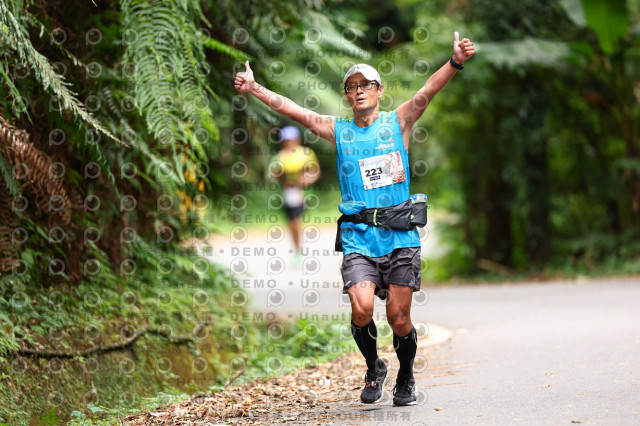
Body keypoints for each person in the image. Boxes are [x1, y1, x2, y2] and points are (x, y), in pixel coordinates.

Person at [234, 32, 475, 406]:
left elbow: (429, 89)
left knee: (398, 318)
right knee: (361, 309)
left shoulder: (398, 121)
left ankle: (406, 377)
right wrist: (254, 88)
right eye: (352, 86)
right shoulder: (339, 130)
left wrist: (455, 61)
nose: (359, 90)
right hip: (358, 236)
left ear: (379, 90)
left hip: (399, 235)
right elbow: (294, 111)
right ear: (347, 95)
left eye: (366, 85)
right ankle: (374, 366)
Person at [270, 125, 321, 258]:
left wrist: (306, 179)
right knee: (292, 221)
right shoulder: (279, 156)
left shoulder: (306, 153)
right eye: (286, 140)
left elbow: (315, 171)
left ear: (297, 139)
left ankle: (298, 250)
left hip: (303, 192)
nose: (289, 142)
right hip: (288, 193)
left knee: (295, 219)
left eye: (291, 139)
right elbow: (274, 174)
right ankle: (297, 249)